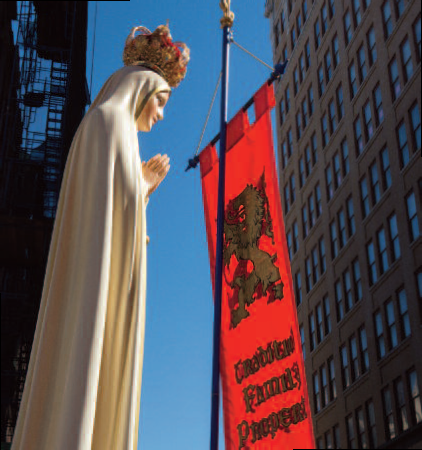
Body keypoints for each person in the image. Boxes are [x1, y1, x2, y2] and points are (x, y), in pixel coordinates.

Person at [11, 24, 189, 450]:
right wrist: (139, 192)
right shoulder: (108, 125)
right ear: (141, 88)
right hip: (91, 290)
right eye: (161, 101)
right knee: (85, 368)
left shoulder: (115, 132)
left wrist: (140, 193)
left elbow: (110, 218)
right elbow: (103, 222)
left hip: (105, 284)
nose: (161, 114)